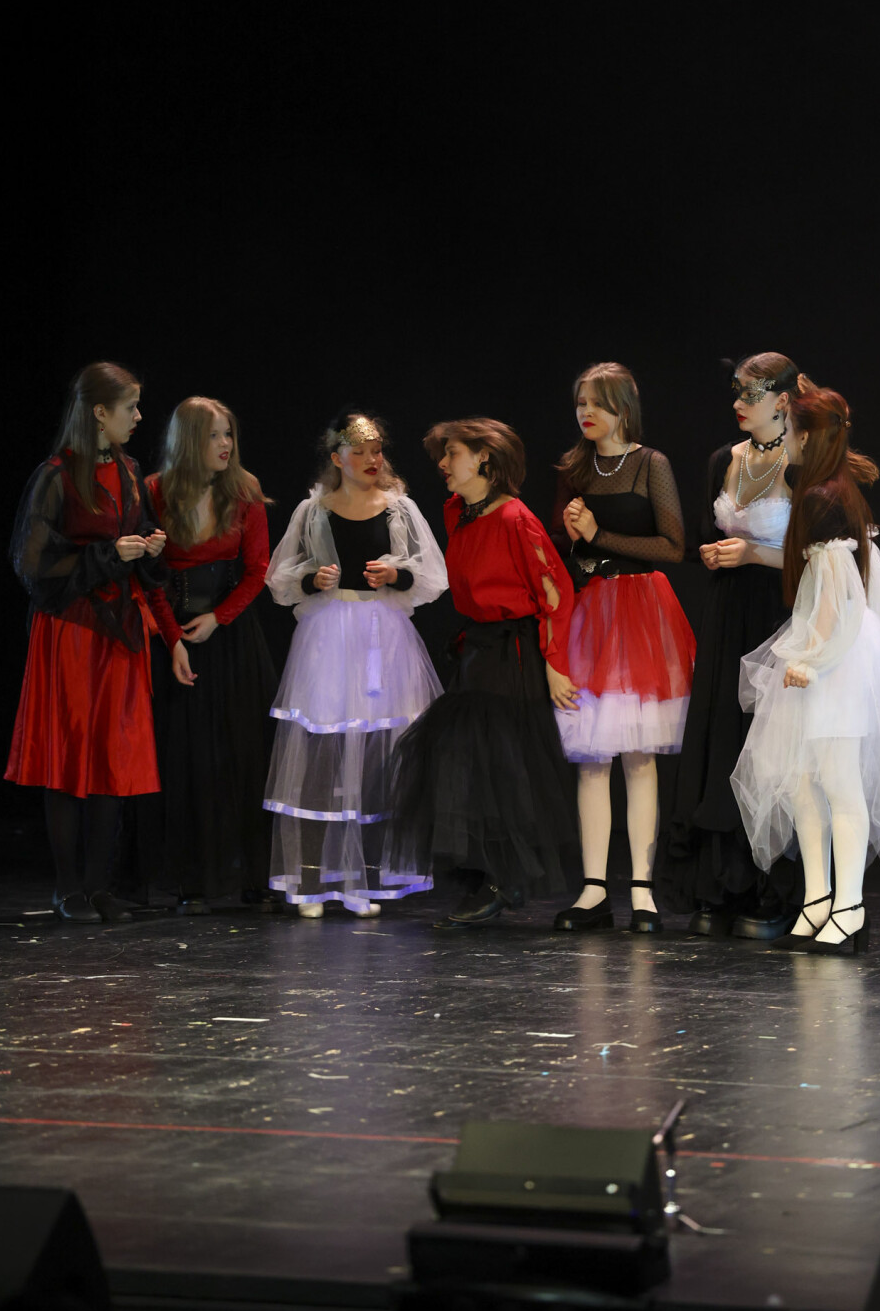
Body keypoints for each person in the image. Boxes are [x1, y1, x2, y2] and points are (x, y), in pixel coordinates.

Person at [731, 384, 880, 955]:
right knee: (804, 782)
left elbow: (842, 591)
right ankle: (818, 900)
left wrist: (812, 656)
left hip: (833, 652)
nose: (784, 439)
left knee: (838, 781)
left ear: (808, 436)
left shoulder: (825, 496)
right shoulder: (824, 490)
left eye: (790, 430)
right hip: (826, 642)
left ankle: (850, 906)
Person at [6, 363, 187, 923]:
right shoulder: (57, 475)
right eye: (129, 407)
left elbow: (135, 546)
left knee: (113, 755)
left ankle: (98, 886)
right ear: (99, 413)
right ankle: (68, 888)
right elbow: (33, 563)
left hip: (119, 629)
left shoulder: (129, 471)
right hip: (74, 630)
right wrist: (110, 555)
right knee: (69, 754)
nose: (138, 417)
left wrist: (148, 547)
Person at [387, 418, 580, 928]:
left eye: (452, 453)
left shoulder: (516, 518)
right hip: (477, 646)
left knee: (500, 763)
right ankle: (488, 874)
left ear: (484, 459)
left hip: (512, 651)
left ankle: (504, 877)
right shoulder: (458, 512)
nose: (443, 464)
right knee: (462, 758)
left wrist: (555, 666)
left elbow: (555, 594)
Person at [263, 410, 446, 916]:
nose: (371, 459)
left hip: (381, 638)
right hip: (329, 638)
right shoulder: (314, 510)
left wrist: (395, 574)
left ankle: (364, 879)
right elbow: (281, 578)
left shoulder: (398, 508)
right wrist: (312, 580)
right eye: (359, 451)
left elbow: (430, 575)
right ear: (337, 458)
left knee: (374, 756)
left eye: (377, 450)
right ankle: (312, 881)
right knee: (322, 752)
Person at [653, 352, 801, 937]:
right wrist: (715, 553)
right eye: (736, 392)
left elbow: (831, 555)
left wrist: (755, 553)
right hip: (726, 615)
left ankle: (775, 890)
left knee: (769, 742)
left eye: (750, 394)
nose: (738, 403)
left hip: (780, 613)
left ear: (782, 400)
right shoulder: (725, 459)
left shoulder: (804, 459)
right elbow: (704, 534)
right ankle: (723, 885)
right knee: (724, 740)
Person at [550, 363, 696, 934]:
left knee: (638, 754)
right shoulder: (574, 468)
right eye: (581, 402)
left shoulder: (649, 463)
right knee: (592, 757)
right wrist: (574, 539)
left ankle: (641, 889)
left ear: (624, 408)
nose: (586, 412)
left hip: (640, 612)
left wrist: (598, 535)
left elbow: (673, 546)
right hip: (591, 614)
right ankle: (593, 890)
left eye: (599, 403)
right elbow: (564, 554)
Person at [144, 397, 277, 913]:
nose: (225, 445)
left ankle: (251, 875)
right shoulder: (154, 492)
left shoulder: (244, 491)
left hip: (232, 637)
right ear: (189, 441)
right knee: (187, 757)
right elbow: (151, 575)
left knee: (241, 752)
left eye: (229, 434)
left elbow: (257, 570)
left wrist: (219, 617)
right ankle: (192, 880)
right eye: (214, 435)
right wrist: (172, 637)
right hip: (175, 638)